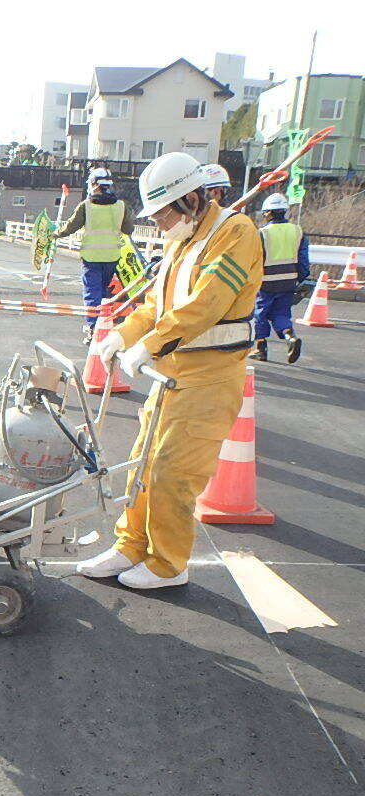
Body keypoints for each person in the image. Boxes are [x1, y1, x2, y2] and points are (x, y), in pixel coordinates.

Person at [76, 152, 262, 590]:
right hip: (171, 375)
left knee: (173, 474)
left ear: (192, 199)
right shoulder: (183, 240)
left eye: (163, 214)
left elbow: (206, 304)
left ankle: (167, 565)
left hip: (209, 379)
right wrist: (123, 335)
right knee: (141, 465)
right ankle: (130, 545)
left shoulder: (235, 232)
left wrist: (150, 344)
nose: (159, 224)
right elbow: (157, 307)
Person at [54, 167, 135, 341]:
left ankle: (93, 329)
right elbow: (128, 229)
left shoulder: (86, 206)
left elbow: (70, 227)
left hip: (91, 258)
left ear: (93, 184)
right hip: (112, 257)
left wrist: (56, 233)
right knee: (103, 293)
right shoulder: (121, 206)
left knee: (92, 293)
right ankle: (103, 325)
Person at [251, 192, 307, 364]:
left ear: (268, 213)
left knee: (260, 313)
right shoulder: (297, 231)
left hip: (266, 282)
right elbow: (303, 259)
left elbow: (254, 259)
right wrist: (302, 278)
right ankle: (290, 337)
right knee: (281, 313)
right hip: (289, 281)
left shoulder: (263, 233)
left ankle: (261, 348)